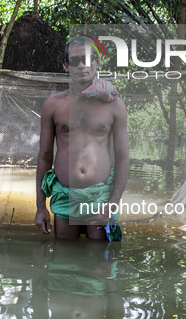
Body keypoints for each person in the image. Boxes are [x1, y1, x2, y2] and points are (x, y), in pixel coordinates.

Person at [35, 36, 130, 239]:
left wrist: (112, 204)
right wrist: (40, 206)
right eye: (74, 61)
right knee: (63, 260)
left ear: (96, 62)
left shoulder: (114, 104)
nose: (81, 66)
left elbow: (123, 158)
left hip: (100, 198)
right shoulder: (53, 105)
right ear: (65, 66)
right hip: (65, 196)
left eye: (86, 60)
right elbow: (44, 156)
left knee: (98, 264)